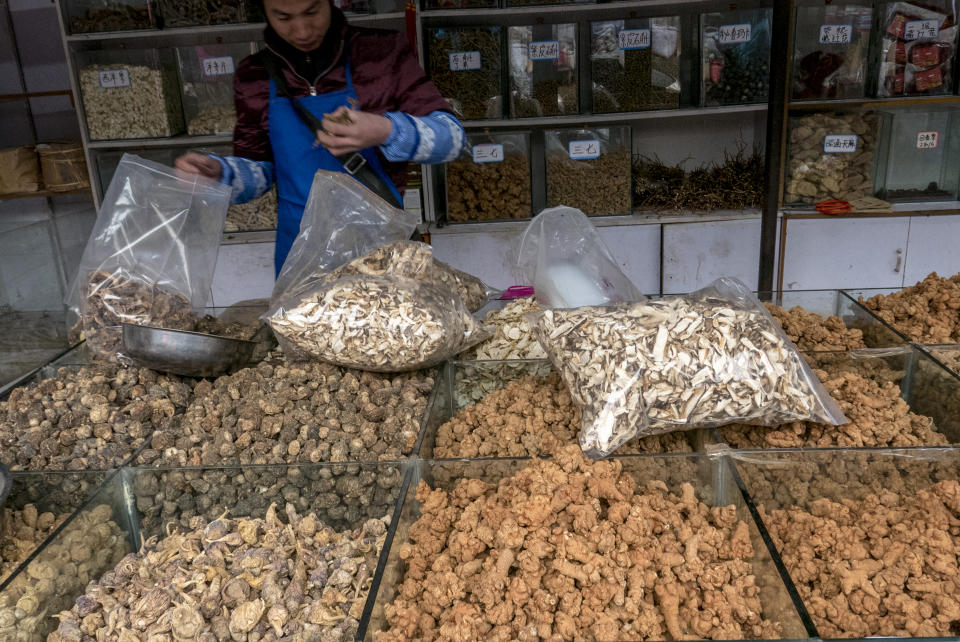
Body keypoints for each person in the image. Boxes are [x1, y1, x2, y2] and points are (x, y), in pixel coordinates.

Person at [175, 0, 464, 274]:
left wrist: (386, 130)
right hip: (302, 258)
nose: (301, 31)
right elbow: (260, 170)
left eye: (311, 12)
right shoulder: (256, 76)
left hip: (382, 251)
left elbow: (452, 139)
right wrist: (221, 175)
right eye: (283, 17)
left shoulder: (381, 54)